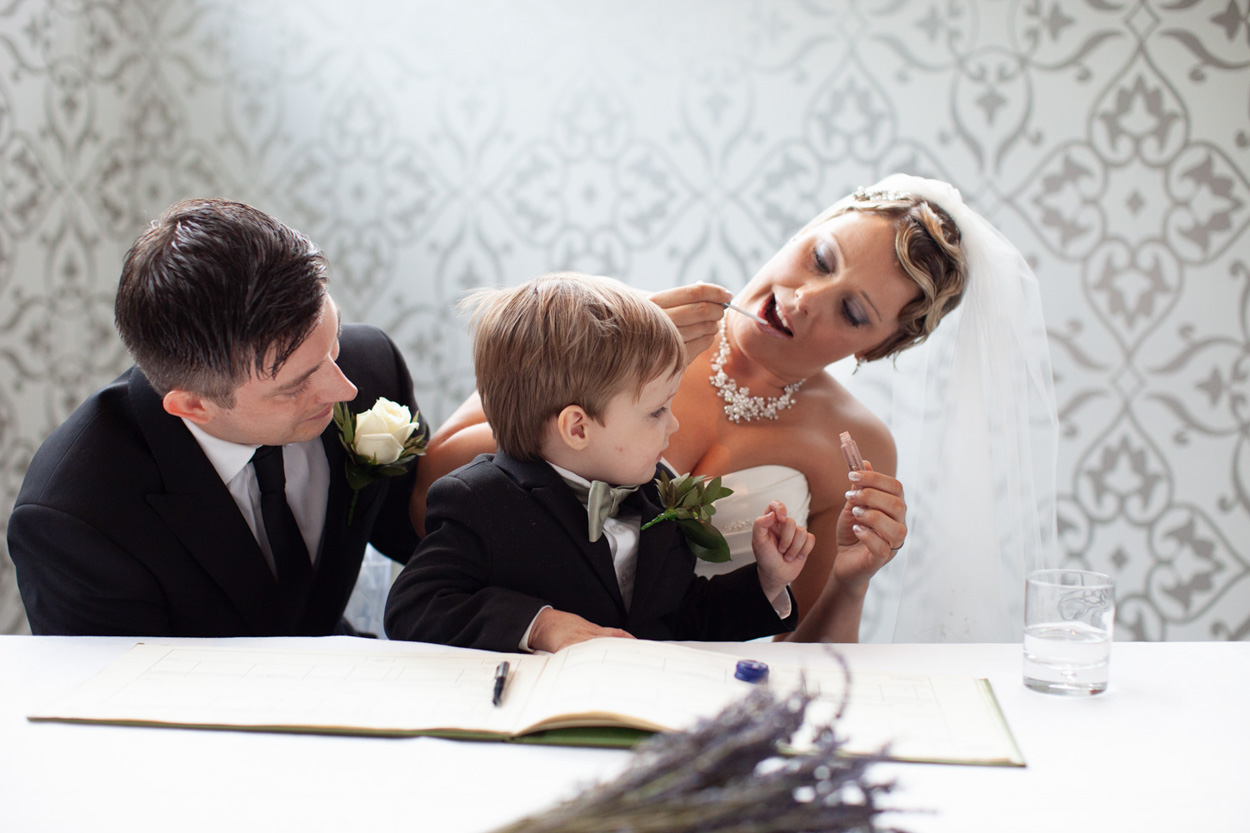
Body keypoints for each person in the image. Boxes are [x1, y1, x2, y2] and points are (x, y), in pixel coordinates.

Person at [412, 174, 1059, 643]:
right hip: (503, 660)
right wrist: (597, 365)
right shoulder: (612, 319)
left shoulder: (855, 444)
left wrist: (851, 580)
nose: (805, 299)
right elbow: (426, 494)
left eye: (852, 311)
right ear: (802, 231)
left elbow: (806, 656)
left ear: (877, 347)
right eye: (820, 258)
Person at [8, 198, 426, 637]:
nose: (345, 389)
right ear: (193, 405)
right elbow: (124, 681)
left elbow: (424, 537)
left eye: (333, 338)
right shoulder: (76, 517)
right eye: (295, 385)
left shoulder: (372, 367)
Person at [384, 272, 812, 652]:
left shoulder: (656, 494)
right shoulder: (480, 501)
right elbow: (413, 606)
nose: (674, 424)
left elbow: (679, 617)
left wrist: (767, 581)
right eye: (656, 412)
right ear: (578, 428)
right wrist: (537, 625)